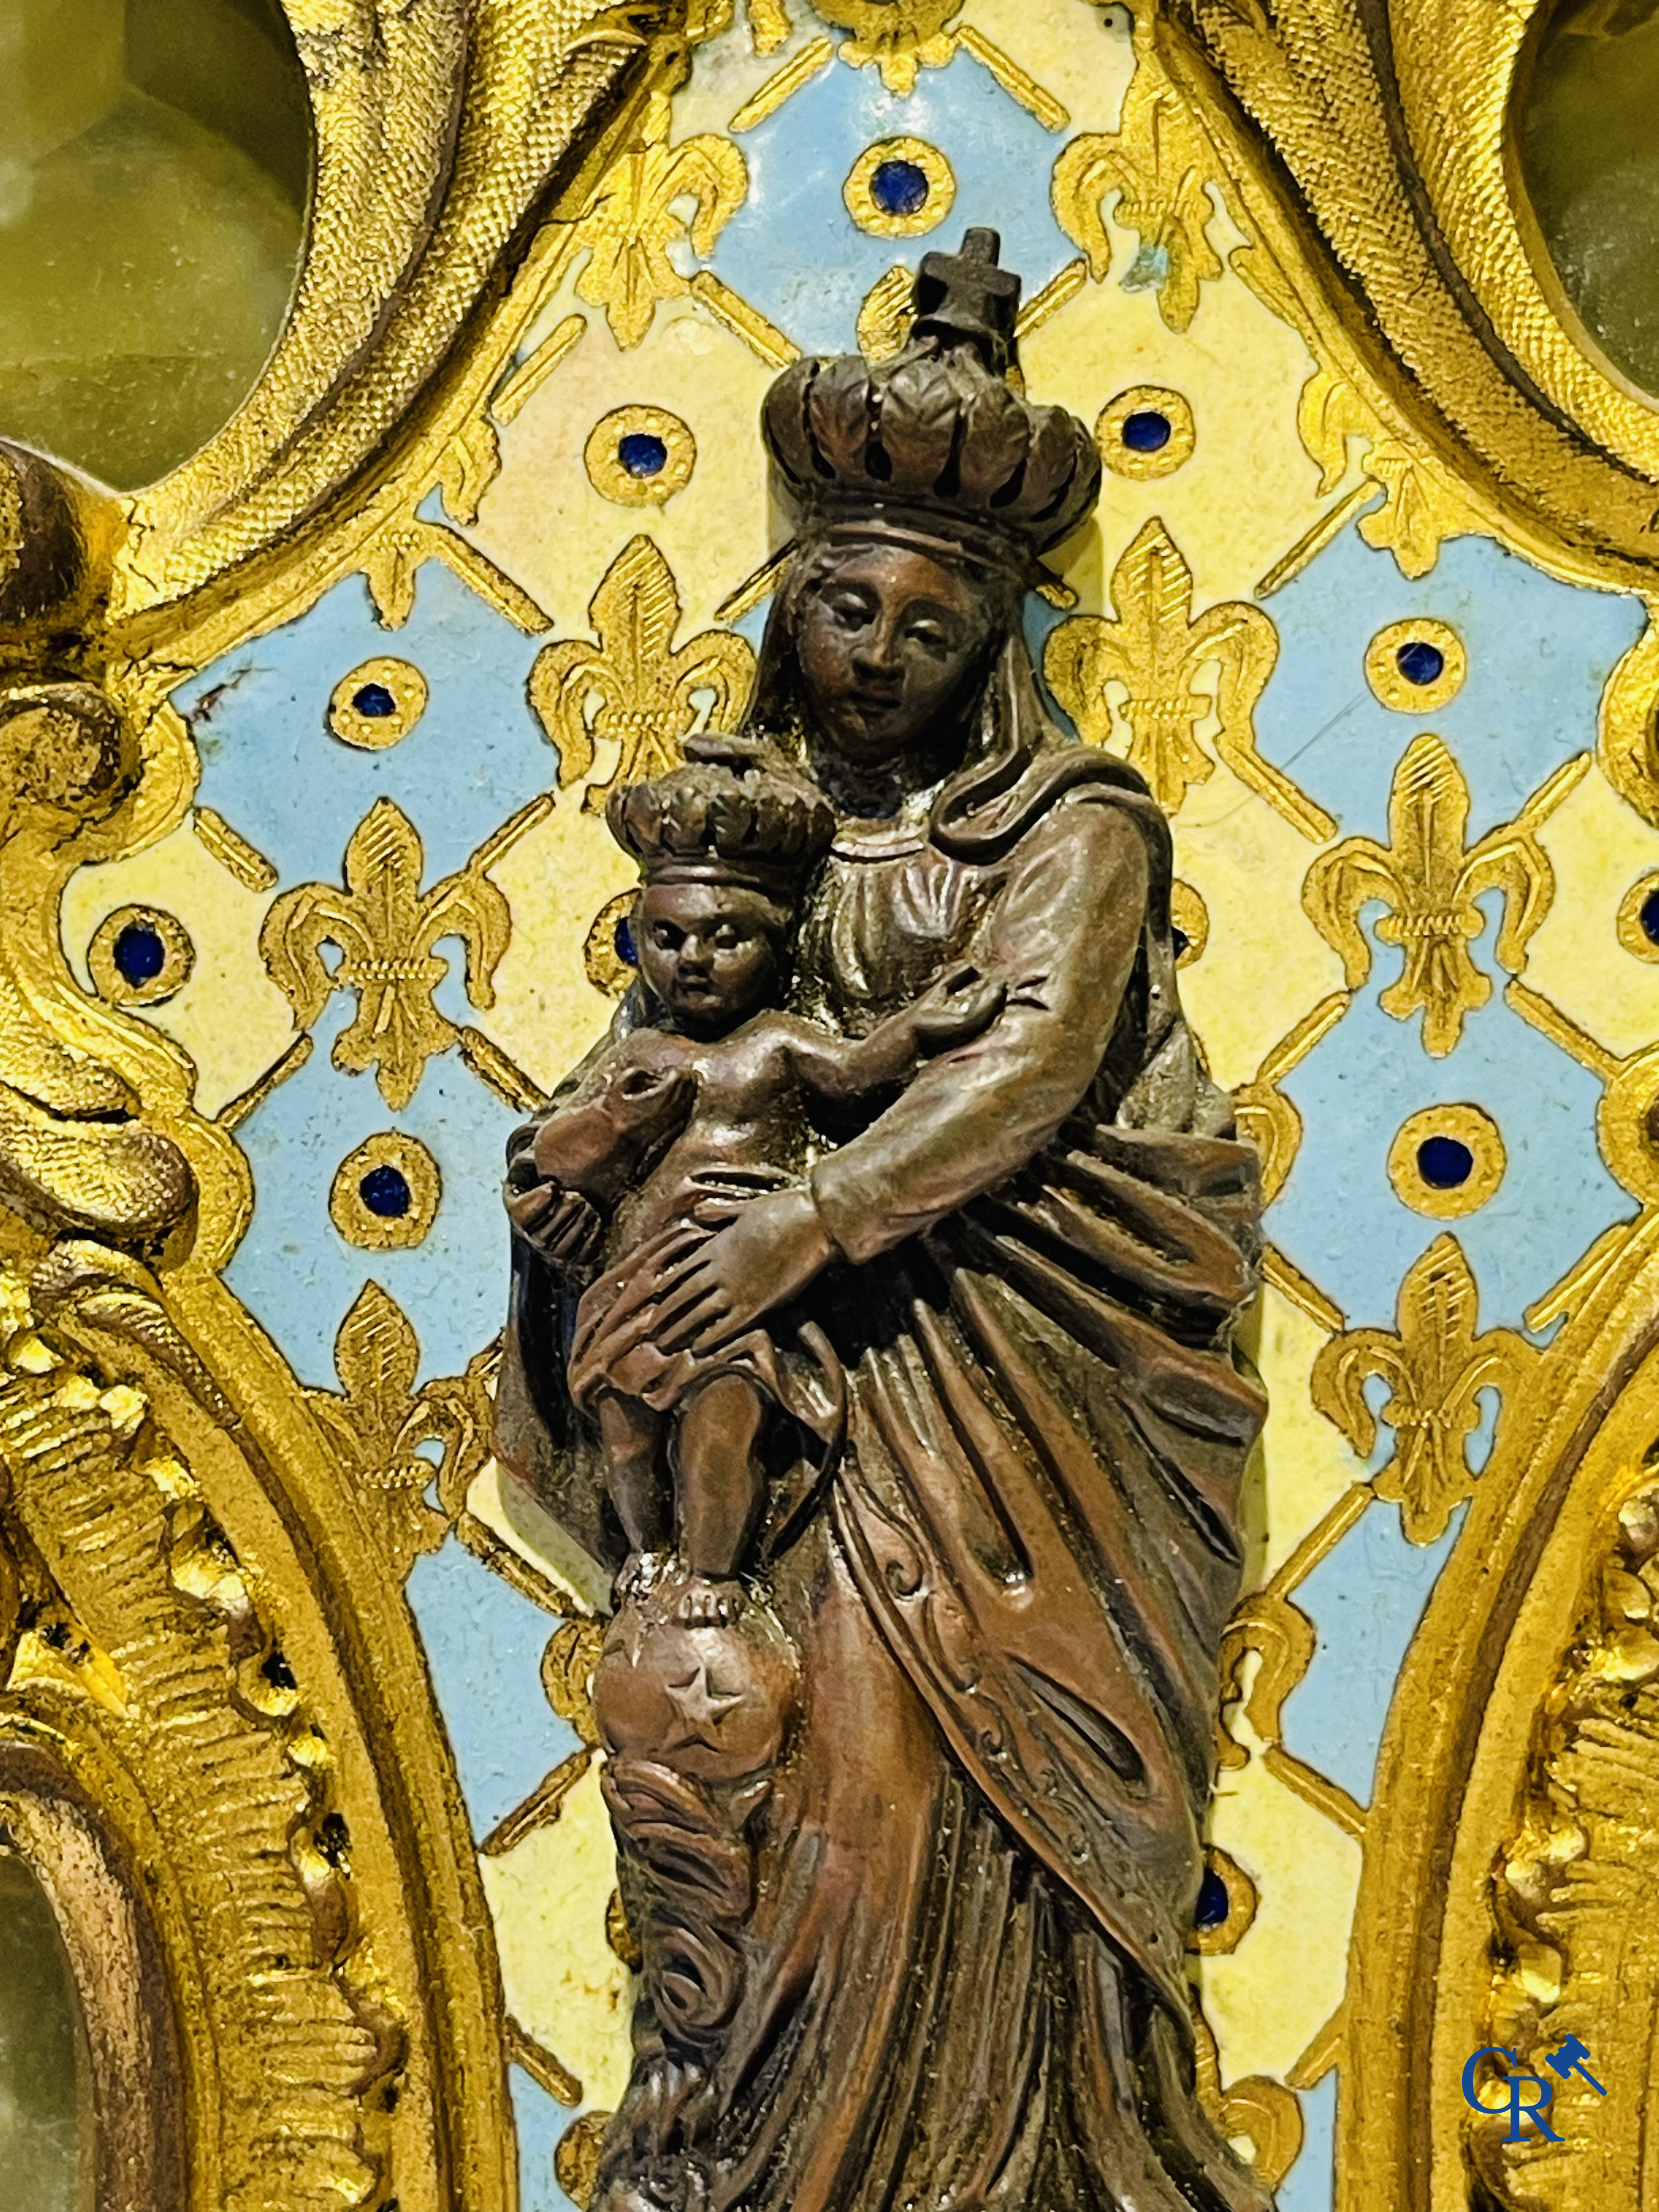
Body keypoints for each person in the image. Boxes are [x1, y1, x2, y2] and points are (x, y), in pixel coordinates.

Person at [498, 230, 1274, 2212]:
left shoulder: (1073, 833)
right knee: (806, 1804)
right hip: (802, 1450)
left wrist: (800, 1229)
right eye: (841, 608)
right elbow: (635, 1097)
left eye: (924, 633)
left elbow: (1022, 1076)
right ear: (791, 607)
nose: (872, 657)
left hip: (1033, 1426)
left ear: (994, 643)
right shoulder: (734, 844)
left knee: (968, 1815)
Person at [511, 742, 999, 1626]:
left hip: (735, 1280)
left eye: (724, 937)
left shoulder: (774, 1042)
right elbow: (560, 1155)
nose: (692, 960)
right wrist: (613, 1122)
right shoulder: (638, 1054)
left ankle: (712, 1570)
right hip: (635, 1282)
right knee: (625, 1431)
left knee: (721, 1422)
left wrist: (922, 1025)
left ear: (775, 943)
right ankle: (647, 1555)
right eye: (667, 938)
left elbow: (854, 1076)